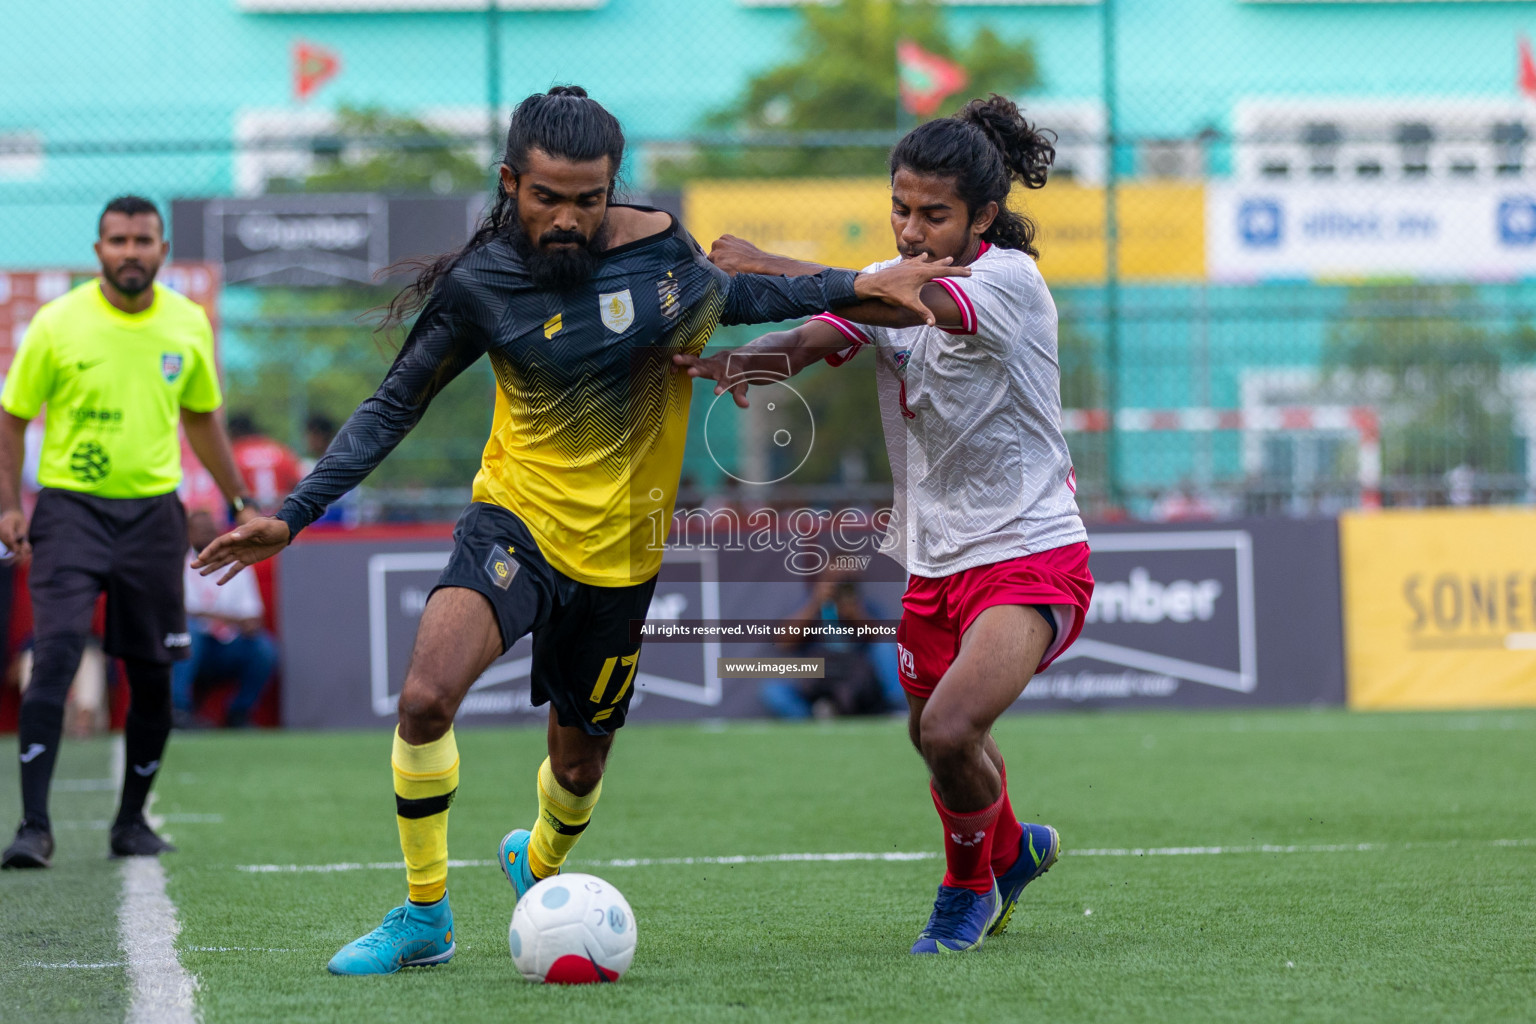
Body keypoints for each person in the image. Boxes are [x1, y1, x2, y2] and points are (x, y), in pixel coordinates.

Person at [191, 86, 967, 976]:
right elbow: (392, 405)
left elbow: (751, 293)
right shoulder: (482, 284)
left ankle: (540, 863)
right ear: (510, 181)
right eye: (546, 197)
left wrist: (864, 286)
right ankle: (424, 914)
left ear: (613, 190)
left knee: (580, 769)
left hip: (623, 558)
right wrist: (290, 516)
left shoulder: (661, 258)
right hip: (513, 522)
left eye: (588, 200)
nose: (566, 217)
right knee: (424, 698)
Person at [678, 95, 1095, 954]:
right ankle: (1011, 849)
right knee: (933, 737)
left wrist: (768, 263)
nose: (911, 230)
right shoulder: (887, 277)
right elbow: (820, 332)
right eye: (900, 208)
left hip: (1030, 552)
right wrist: (738, 360)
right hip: (933, 559)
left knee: (949, 728)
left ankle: (965, 893)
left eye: (934, 215)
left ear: (982, 216)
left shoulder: (1008, 282)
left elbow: (898, 304)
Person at [0, 195, 257, 869]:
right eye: (118, 241)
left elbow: (202, 418)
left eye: (143, 241)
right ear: (99, 252)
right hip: (70, 512)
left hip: (152, 517)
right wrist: (8, 504)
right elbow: (12, 416)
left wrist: (241, 499)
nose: (130, 252)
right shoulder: (57, 325)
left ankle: (130, 822)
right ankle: (33, 826)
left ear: (162, 250)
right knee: (54, 656)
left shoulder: (186, 324)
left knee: (151, 676)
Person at [173, 510, 277, 729]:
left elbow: (252, 618)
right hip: (191, 646)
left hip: (226, 646)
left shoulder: (236, 563)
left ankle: (239, 713)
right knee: (187, 632)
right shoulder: (177, 564)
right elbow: (178, 613)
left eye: (210, 530)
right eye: (199, 530)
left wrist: (206, 615)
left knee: (263, 648)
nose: (206, 535)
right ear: (188, 534)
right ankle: (179, 710)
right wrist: (229, 618)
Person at [760, 572, 902, 719]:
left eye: (844, 581)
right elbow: (782, 642)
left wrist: (856, 616)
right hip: (819, 681)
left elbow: (887, 640)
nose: (837, 588)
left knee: (885, 648)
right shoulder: (810, 607)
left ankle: (896, 708)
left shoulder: (866, 606)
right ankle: (813, 720)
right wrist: (815, 604)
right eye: (833, 580)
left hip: (859, 683)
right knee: (773, 691)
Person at [229, 412, 304, 511]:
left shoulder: (233, 453)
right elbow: (300, 484)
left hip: (247, 517)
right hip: (283, 518)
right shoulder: (282, 451)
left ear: (233, 433)